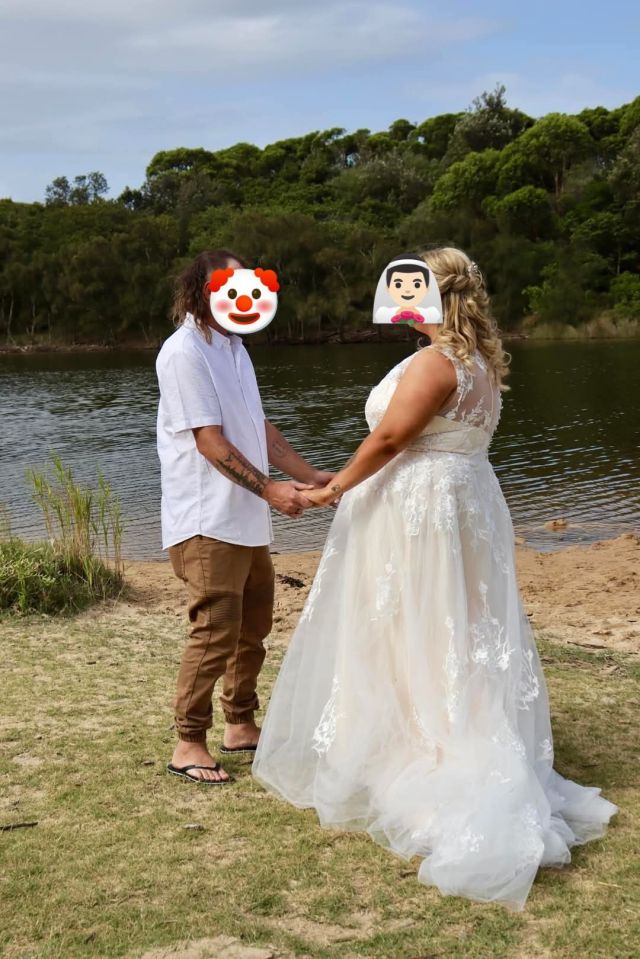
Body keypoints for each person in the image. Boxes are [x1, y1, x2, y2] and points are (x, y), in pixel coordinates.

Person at [253, 247, 618, 909]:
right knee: (452, 627)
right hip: (460, 501)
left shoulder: (435, 363)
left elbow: (392, 439)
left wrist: (332, 485)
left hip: (423, 510)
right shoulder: (476, 362)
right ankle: (431, 736)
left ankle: (437, 759)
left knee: (418, 630)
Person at [156, 249, 332, 785]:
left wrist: (315, 476)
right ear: (202, 291)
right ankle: (188, 742)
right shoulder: (183, 351)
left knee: (253, 627)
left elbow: (260, 431)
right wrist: (271, 490)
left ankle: (239, 726)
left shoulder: (233, 347)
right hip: (206, 518)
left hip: (245, 520)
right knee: (216, 629)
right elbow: (210, 442)